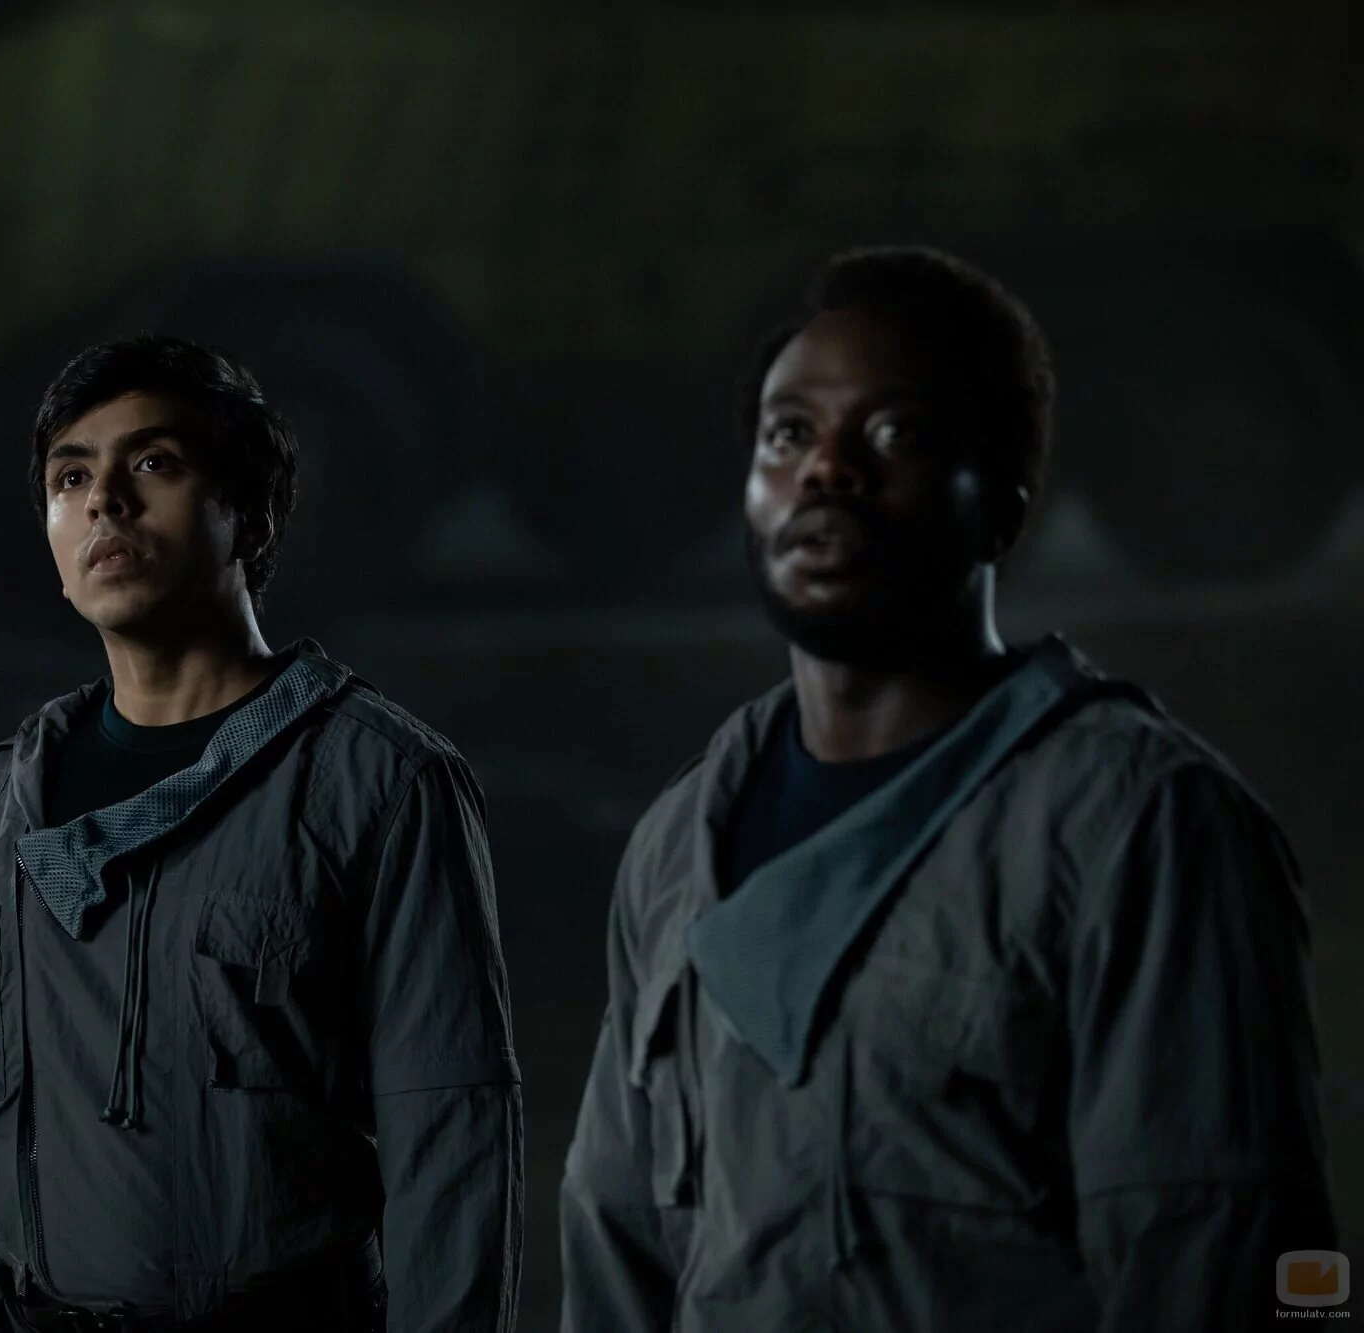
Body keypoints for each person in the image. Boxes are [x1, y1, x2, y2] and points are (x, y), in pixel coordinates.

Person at [559, 247, 1336, 1331]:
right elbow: (614, 1252)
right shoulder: (678, 842)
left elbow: (1220, 1255)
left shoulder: (1134, 823)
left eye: (895, 433)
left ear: (1003, 505)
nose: (827, 469)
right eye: (788, 433)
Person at [0, 336, 523, 1332]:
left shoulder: (380, 784)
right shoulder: (5, 800)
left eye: (154, 462)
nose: (104, 501)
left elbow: (453, 1131)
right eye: (71, 477)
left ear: (248, 514)